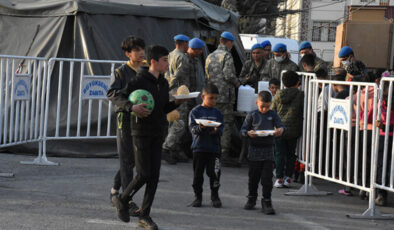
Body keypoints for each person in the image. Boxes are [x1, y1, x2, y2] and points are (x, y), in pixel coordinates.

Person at [112, 45, 186, 230]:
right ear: (154, 62)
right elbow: (119, 97)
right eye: (164, 60)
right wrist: (132, 107)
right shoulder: (138, 80)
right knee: (144, 173)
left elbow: (162, 109)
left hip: (157, 131)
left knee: (154, 176)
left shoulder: (163, 83)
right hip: (140, 132)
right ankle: (121, 199)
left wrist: (176, 102)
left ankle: (144, 216)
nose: (167, 63)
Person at [107, 35, 146, 216]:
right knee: (127, 159)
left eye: (141, 49)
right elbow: (112, 93)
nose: (141, 53)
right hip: (126, 119)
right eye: (136, 50)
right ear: (128, 54)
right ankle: (127, 199)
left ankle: (115, 190)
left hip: (143, 120)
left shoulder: (146, 69)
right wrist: (130, 106)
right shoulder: (121, 72)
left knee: (132, 160)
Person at [240, 91, 284, 214]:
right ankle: (251, 198)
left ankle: (266, 201)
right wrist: (248, 133)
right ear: (257, 103)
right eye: (262, 106)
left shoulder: (273, 114)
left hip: (268, 150)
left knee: (267, 178)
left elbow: (281, 126)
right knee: (253, 177)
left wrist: (280, 130)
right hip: (254, 150)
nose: (264, 109)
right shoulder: (252, 115)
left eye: (267, 106)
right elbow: (243, 129)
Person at [205, 31, 240, 165]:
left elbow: (207, 75)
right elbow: (228, 75)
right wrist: (237, 82)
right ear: (229, 42)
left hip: (211, 95)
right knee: (226, 123)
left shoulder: (210, 56)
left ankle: (209, 150)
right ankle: (224, 152)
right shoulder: (227, 55)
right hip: (224, 96)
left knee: (211, 122)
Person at [189, 83, 224, 208]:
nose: (214, 101)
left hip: (214, 149)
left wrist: (216, 131)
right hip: (199, 148)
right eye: (211, 98)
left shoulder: (218, 113)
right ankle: (197, 197)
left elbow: (221, 128)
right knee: (198, 175)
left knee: (214, 173)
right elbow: (192, 129)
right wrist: (201, 127)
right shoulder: (195, 111)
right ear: (203, 96)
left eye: (215, 98)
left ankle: (215, 196)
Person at [272, 71, 304, 188]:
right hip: (293, 130)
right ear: (298, 83)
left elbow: (273, 111)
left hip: (279, 130)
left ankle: (279, 178)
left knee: (279, 154)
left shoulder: (277, 95)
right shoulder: (300, 95)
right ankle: (288, 177)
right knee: (291, 154)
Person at [163, 34, 191, 164]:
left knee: (172, 121)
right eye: (187, 44)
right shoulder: (182, 57)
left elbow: (166, 73)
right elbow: (178, 76)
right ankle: (167, 147)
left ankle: (174, 150)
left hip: (169, 93)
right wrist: (171, 86)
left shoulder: (169, 55)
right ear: (183, 43)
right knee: (179, 123)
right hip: (179, 94)